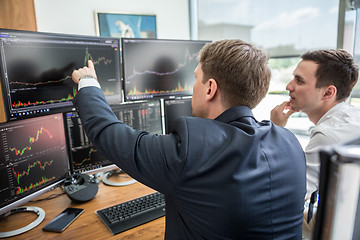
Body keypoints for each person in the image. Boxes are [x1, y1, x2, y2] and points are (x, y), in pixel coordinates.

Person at [72, 39, 306, 239]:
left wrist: (88, 83)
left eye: (196, 79)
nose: (192, 87)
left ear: (210, 89)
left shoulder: (191, 151)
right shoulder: (290, 143)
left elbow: (110, 134)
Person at [270, 49, 360, 200]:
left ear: (327, 93)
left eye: (299, 81)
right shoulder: (352, 116)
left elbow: (289, 195)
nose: (288, 87)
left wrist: (275, 131)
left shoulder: (327, 136)